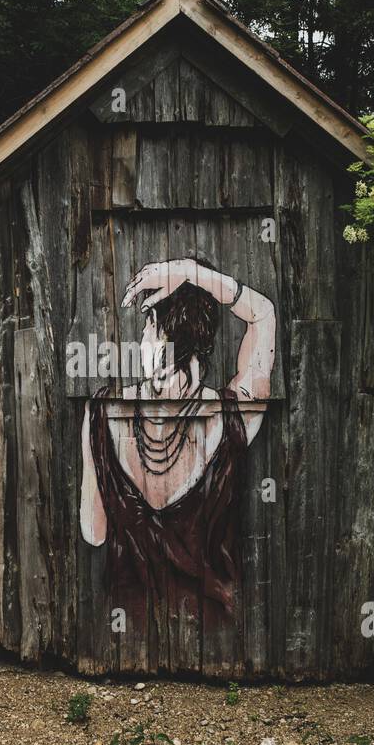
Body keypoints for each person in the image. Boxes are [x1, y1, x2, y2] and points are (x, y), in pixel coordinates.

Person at [79, 256, 276, 629]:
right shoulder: (234, 415)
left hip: (129, 633)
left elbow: (94, 532)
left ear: (153, 325)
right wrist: (190, 273)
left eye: (145, 327)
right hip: (213, 633)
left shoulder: (101, 414)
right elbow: (263, 314)